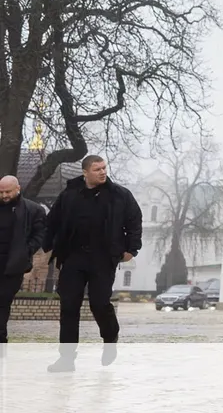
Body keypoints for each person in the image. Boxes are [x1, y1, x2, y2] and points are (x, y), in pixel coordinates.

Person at [43, 155, 142, 371]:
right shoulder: (70, 194)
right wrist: (47, 244)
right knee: (69, 306)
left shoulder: (120, 196)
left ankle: (110, 336)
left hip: (103, 257)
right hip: (73, 257)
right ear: (85, 172)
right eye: (97, 169)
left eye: (104, 168)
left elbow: (134, 220)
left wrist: (131, 249)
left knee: (99, 303)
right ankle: (67, 359)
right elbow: (52, 221)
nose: (102, 172)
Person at [1, 175, 47, 343]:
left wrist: (26, 251)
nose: (4, 195)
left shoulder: (33, 210)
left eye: (8, 191)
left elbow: (40, 234)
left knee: (3, 303)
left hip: (13, 265)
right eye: (1, 192)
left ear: (17, 188)